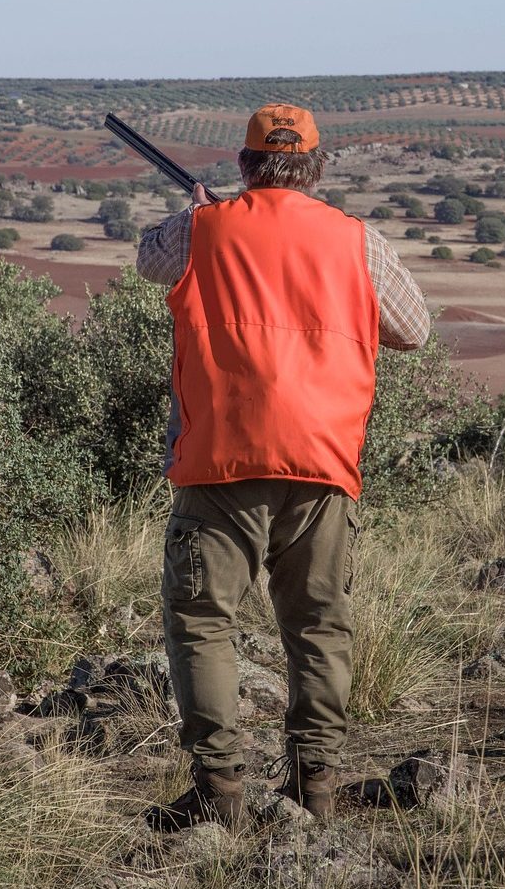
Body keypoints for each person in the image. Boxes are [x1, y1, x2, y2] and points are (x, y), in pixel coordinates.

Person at [134, 103, 430, 831]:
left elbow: (148, 260)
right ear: (317, 169)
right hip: (322, 460)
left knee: (203, 621)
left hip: (220, 459)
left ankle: (219, 792)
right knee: (319, 624)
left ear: (245, 164)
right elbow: (414, 330)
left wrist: (202, 214)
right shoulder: (358, 241)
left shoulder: (201, 229)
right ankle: (314, 788)